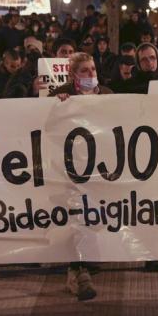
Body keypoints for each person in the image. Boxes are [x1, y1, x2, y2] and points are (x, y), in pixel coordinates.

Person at [49, 52, 113, 301]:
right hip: (71, 170)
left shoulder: (107, 94)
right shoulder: (62, 95)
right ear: (73, 74)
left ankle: (83, 266)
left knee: (95, 217)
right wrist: (58, 103)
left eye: (93, 69)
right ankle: (78, 272)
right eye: (84, 70)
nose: (91, 74)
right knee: (76, 217)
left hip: (102, 169)